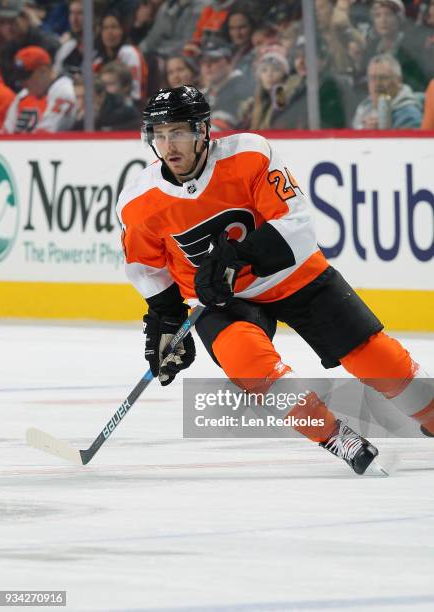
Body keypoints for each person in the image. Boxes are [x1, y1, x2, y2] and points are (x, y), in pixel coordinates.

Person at [116, 85, 433, 476]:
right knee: (248, 363)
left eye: (178, 132)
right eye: (159, 135)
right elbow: (147, 267)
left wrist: (238, 257)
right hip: (224, 302)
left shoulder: (249, 154)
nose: (169, 145)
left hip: (294, 276)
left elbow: (297, 224)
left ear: (202, 131)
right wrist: (164, 320)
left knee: (380, 360)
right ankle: (336, 435)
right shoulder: (137, 201)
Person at [3, 45, 76, 133]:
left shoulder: (63, 92)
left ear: (43, 71)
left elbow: (45, 134)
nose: (22, 83)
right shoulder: (23, 95)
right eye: (20, 78)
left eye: (26, 77)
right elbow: (6, 131)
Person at [0, 0, 60, 91]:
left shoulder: (47, 43)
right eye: (2, 23)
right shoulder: (6, 51)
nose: (8, 28)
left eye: (12, 21)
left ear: (25, 18)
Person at [352, 53, 423, 128]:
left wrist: (379, 134)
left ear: (398, 81)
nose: (377, 83)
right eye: (372, 78)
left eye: (383, 78)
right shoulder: (363, 109)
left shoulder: (409, 116)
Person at [94, 10, 148, 105]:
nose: (109, 32)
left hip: (130, 111)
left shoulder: (129, 53)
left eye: (114, 27)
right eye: (105, 28)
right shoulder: (98, 60)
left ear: (123, 30)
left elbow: (135, 95)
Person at [53, 0, 83, 77]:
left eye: (80, 13)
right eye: (71, 13)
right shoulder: (68, 44)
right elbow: (55, 72)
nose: (74, 19)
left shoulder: (100, 44)